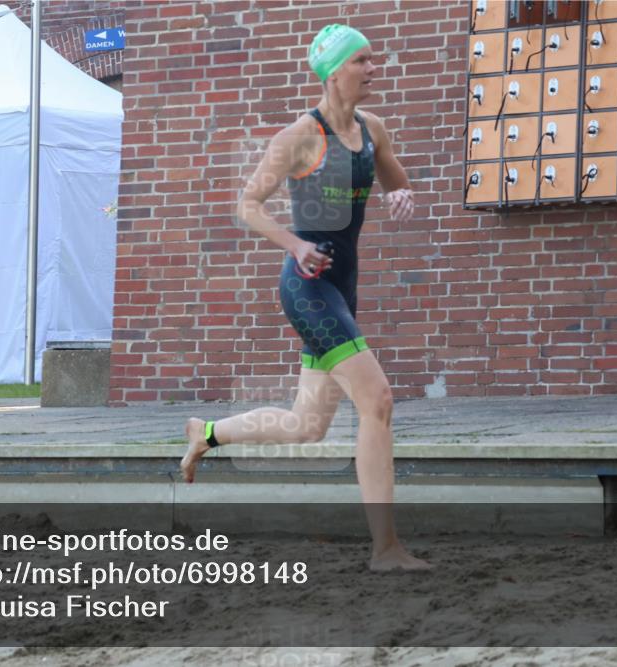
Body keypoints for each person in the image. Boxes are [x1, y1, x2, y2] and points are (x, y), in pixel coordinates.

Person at [180, 24, 428, 571]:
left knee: (307, 424)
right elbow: (247, 205)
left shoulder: (374, 129)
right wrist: (294, 245)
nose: (373, 69)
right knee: (377, 400)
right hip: (308, 288)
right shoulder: (299, 137)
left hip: (342, 288)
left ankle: (207, 434)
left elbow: (396, 182)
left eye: (373, 59)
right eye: (363, 60)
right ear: (333, 71)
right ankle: (385, 548)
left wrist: (403, 196)